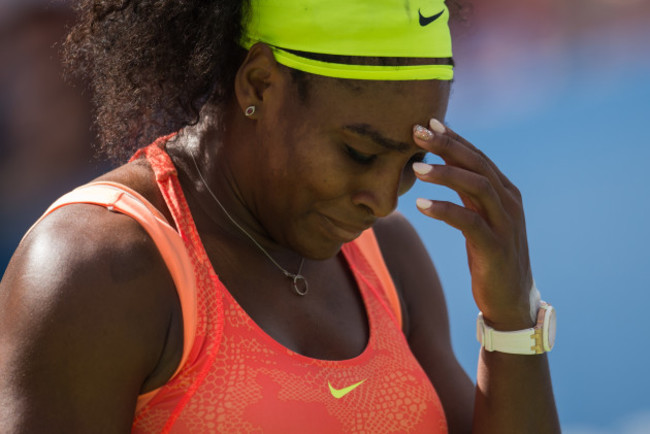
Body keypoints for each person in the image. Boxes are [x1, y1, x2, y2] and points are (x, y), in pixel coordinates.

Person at [0, 0, 560, 432]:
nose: (384, 199)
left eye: (412, 161)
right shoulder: (95, 268)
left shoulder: (389, 257)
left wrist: (512, 318)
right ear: (260, 84)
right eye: (359, 153)